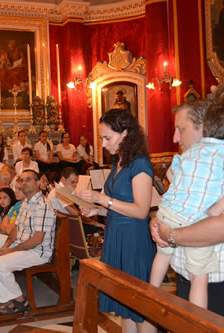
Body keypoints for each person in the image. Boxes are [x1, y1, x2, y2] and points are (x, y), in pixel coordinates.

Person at [149, 101, 224, 327]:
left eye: (181, 129)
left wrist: (170, 234)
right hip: (188, 281)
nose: (175, 138)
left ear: (204, 126)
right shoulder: (194, 164)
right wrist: (157, 221)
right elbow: (178, 204)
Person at [74, 108, 155, 333]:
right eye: (102, 138)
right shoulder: (118, 162)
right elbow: (119, 208)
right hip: (115, 236)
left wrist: (101, 199)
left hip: (133, 241)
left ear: (126, 134)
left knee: (140, 308)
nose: (103, 144)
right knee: (124, 304)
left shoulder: (139, 164)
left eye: (107, 137)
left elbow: (140, 211)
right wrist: (97, 211)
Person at [0, 169, 56, 314]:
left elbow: (36, 240)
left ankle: (19, 300)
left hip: (37, 252)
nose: (24, 183)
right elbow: (15, 229)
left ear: (37, 182)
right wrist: (5, 246)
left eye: (28, 179)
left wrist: (9, 251)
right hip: (21, 244)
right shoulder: (25, 203)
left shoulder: (43, 205)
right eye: (21, 180)